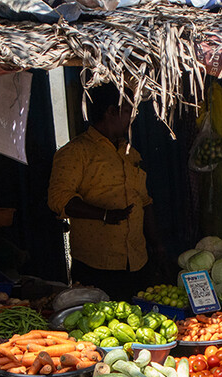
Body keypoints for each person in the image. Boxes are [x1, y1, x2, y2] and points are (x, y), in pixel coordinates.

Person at [48, 84, 165, 299]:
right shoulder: (75, 152)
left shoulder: (130, 153)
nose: (133, 117)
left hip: (138, 260)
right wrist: (104, 215)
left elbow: (145, 201)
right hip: (97, 265)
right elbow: (59, 199)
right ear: (111, 111)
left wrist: (156, 245)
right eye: (129, 111)